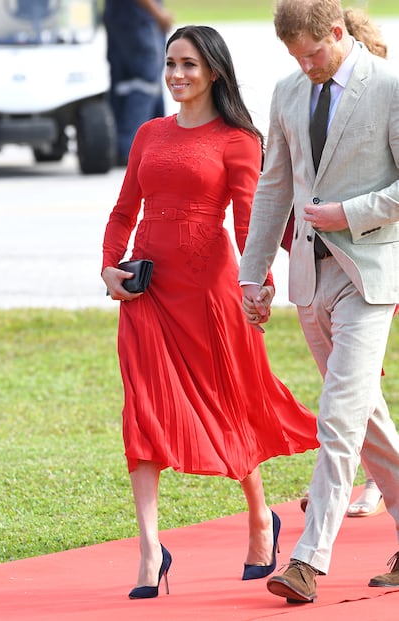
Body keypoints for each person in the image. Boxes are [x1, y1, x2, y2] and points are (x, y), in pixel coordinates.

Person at [101, 24, 319, 599]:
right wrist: (108, 267)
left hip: (210, 292)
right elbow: (125, 210)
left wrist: (260, 287)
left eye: (189, 65)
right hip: (147, 291)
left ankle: (258, 518)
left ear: (214, 72)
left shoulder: (239, 139)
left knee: (229, 402)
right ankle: (150, 550)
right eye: (171, 63)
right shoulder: (149, 132)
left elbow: (253, 221)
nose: (176, 74)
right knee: (143, 409)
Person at [239, 0, 399, 604]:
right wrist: (252, 276)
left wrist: (350, 215)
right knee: (367, 418)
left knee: (337, 414)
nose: (305, 65)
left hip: (371, 275)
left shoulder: (388, 86)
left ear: (338, 33)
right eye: (293, 56)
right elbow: (274, 186)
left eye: (313, 53)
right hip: (309, 277)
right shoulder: (287, 90)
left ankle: (308, 559)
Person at [296, 6, 389, 519]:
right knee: (356, 383)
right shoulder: (306, 94)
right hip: (327, 262)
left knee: (351, 386)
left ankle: (344, 487)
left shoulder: (382, 89)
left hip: (378, 257)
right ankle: (372, 477)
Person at [103, 0, 174, 166]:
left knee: (123, 83)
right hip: (139, 17)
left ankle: (127, 146)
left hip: (120, 16)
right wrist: (158, 13)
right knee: (145, 82)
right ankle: (134, 148)